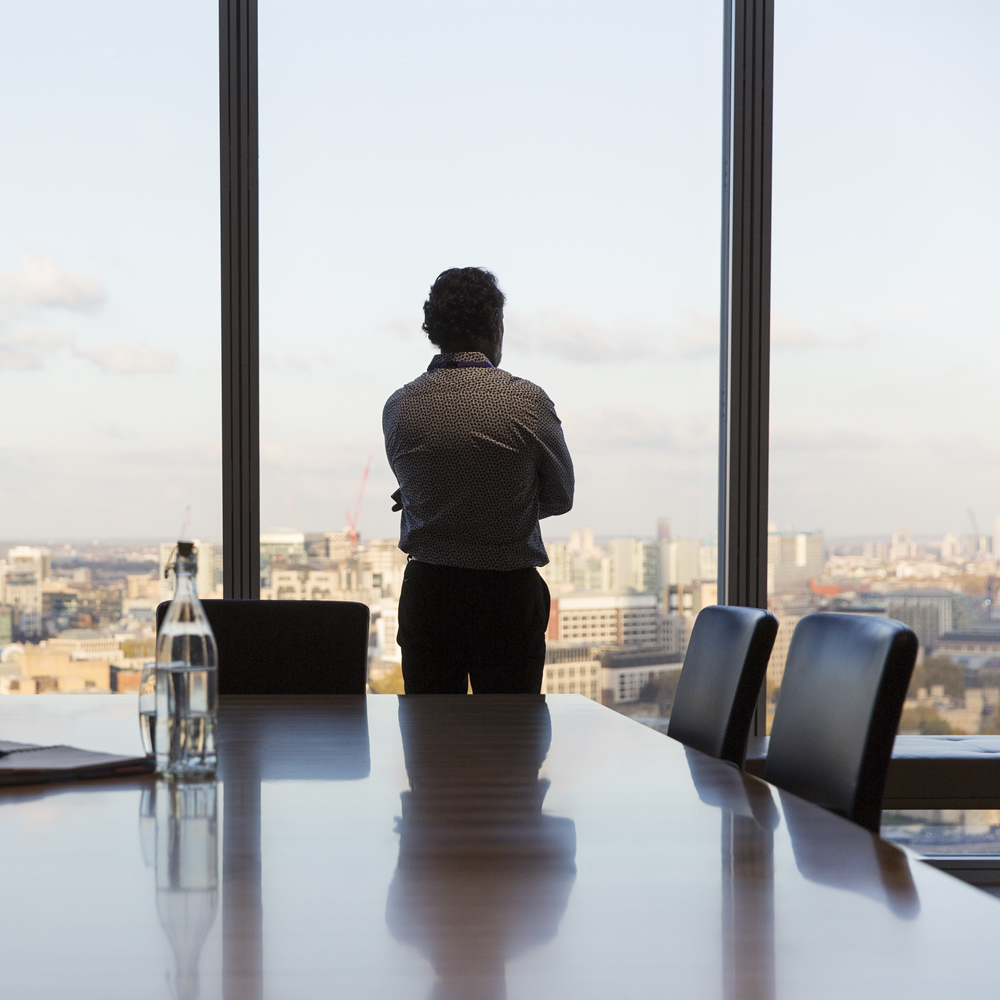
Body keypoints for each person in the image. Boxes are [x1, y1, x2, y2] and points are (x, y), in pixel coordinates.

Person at [382, 267, 574, 694]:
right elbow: (561, 496)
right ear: (495, 326)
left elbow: (418, 491)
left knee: (429, 741)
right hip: (506, 598)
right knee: (511, 745)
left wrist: (450, 502)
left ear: (434, 329)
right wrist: (502, 500)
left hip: (429, 595)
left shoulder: (399, 407)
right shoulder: (526, 402)